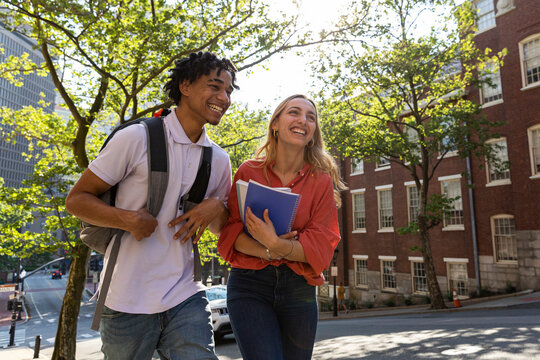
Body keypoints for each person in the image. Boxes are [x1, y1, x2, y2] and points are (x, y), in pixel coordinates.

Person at [66, 51, 238, 360]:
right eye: (214, 86)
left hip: (186, 293)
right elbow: (77, 200)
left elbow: (220, 228)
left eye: (228, 90)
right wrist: (127, 219)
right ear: (184, 86)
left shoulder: (219, 159)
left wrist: (216, 207)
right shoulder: (136, 138)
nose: (223, 97)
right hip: (124, 300)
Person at [217, 94, 346, 360]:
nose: (303, 120)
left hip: (298, 288)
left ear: (312, 134)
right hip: (249, 286)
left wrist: (276, 244)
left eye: (311, 117)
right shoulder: (248, 171)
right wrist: (268, 251)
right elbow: (231, 234)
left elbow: (321, 247)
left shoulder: (320, 181)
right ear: (275, 123)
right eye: (294, 113)